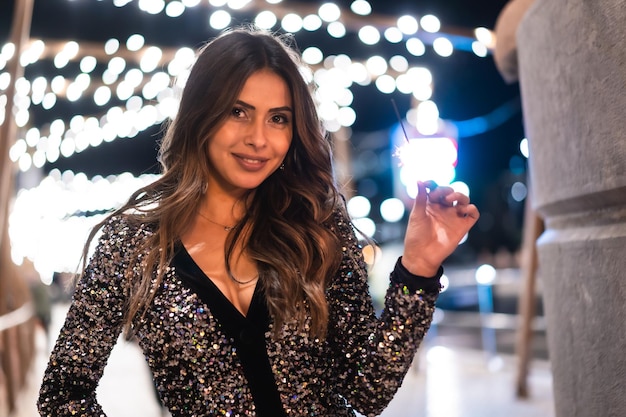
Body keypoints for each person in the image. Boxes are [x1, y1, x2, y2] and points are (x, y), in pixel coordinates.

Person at [37, 27, 479, 417]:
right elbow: (63, 395)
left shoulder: (317, 226)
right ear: (200, 115)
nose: (258, 139)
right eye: (238, 111)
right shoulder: (132, 245)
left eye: (278, 119)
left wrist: (418, 268)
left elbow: (365, 391)